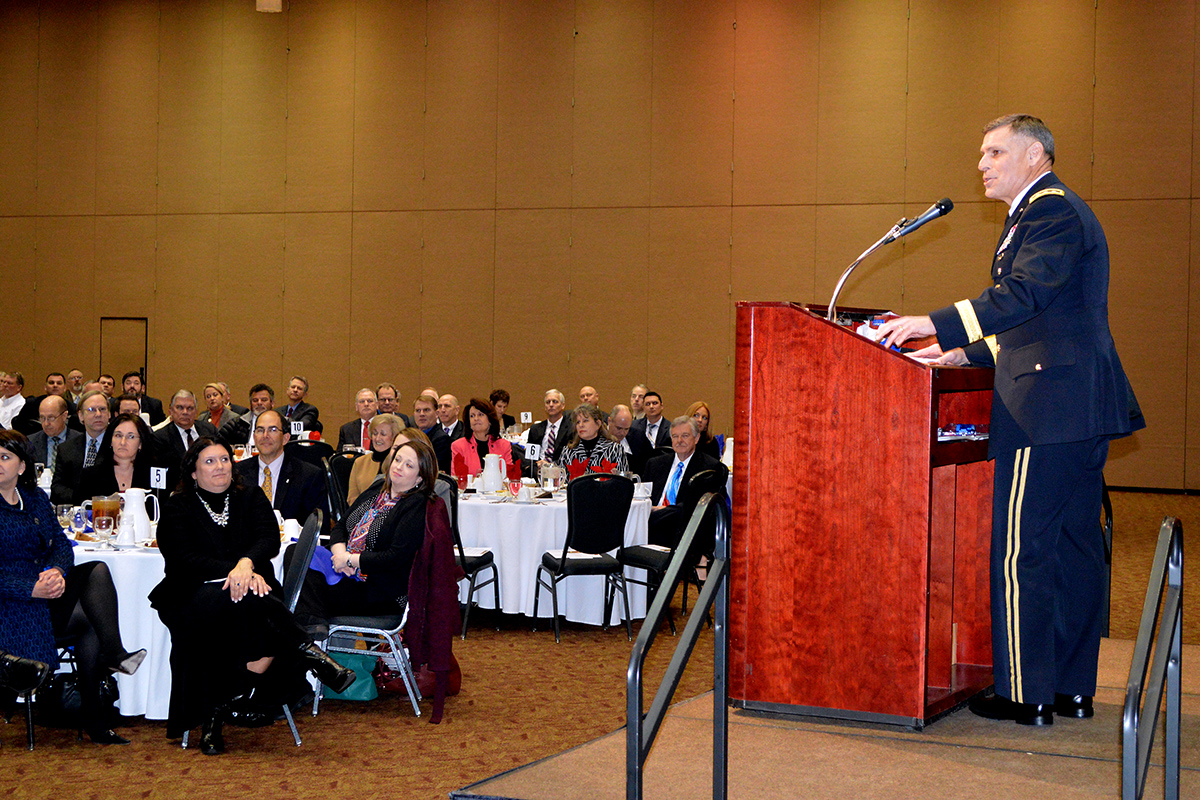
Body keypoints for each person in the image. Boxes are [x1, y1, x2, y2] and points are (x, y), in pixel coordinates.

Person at [876, 114, 1144, 727]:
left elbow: (1023, 296)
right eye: (981, 153)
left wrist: (933, 323)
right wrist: (961, 352)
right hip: (1074, 406)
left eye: (995, 151)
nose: (982, 164)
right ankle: (1072, 688)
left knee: (1021, 551)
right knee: (1074, 552)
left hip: (1045, 409)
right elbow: (1037, 319)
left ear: (1035, 156)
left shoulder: (1049, 208)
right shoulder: (1045, 212)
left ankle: (1025, 693)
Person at [148, 438, 354, 755]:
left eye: (225, 460)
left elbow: (269, 540)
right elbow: (183, 559)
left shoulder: (250, 495)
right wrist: (237, 571)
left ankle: (215, 717)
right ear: (192, 471)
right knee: (240, 604)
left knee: (245, 605)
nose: (220, 467)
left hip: (253, 585)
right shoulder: (178, 506)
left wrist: (246, 565)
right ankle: (309, 652)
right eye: (209, 461)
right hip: (191, 591)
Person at [0, 429, 146, 745]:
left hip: (46, 594)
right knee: (91, 620)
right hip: (10, 607)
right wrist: (29, 588)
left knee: (96, 572)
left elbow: (63, 546)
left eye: (5, 457)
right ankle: (102, 696)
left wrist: (56, 570)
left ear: (22, 466)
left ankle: (109, 661)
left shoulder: (35, 499)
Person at [295, 439, 437, 626]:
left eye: (409, 465)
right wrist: (341, 556)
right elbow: (340, 526)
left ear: (420, 478)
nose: (399, 467)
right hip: (346, 571)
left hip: (379, 589)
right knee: (295, 554)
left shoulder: (416, 505)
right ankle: (312, 626)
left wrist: (350, 560)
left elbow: (394, 557)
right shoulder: (378, 489)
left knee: (303, 592)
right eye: (398, 459)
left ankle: (310, 628)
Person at [642, 417, 728, 549]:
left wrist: (663, 510)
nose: (679, 441)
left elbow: (697, 507)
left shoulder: (709, 468)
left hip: (682, 528)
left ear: (697, 438)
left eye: (685, 436)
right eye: (675, 436)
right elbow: (642, 495)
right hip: (649, 523)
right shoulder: (654, 464)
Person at [234, 410, 328, 526]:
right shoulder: (238, 472)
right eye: (260, 430)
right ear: (254, 437)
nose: (265, 436)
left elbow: (318, 527)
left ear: (285, 438)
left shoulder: (309, 476)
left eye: (272, 430)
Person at [74, 413, 159, 504]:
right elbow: (82, 510)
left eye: (131, 437)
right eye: (118, 435)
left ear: (140, 443)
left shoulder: (153, 476)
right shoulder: (91, 476)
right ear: (110, 440)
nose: (123, 442)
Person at [50, 390, 111, 505]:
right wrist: (82, 500)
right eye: (92, 410)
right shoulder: (66, 449)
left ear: (109, 414)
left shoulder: (117, 447)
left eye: (102, 409)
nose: (98, 414)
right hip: (76, 510)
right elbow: (57, 489)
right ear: (81, 416)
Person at [153, 390, 218, 473]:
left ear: (196, 412)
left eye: (190, 408)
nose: (185, 412)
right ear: (171, 411)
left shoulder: (209, 430)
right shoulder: (160, 438)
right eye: (180, 408)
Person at [556, 404, 626, 480]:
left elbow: (623, 482)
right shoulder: (568, 452)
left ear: (598, 424)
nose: (581, 425)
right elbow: (561, 483)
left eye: (585, 421)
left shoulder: (614, 449)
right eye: (578, 422)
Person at [346, 413, 402, 504]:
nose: (377, 438)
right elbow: (352, 498)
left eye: (383, 434)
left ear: (395, 437)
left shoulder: (399, 464)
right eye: (375, 433)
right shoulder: (360, 462)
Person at [450, 399, 514, 478]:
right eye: (472, 416)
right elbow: (456, 478)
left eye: (480, 415)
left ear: (490, 419)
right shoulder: (458, 446)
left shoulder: (504, 445)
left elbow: (510, 476)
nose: (476, 418)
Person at [27, 395, 82, 475]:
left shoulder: (80, 441)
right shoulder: (30, 441)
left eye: (51, 418)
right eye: (42, 418)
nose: (46, 423)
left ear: (64, 416)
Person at [608, 404, 653, 477]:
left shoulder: (638, 437)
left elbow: (650, 463)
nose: (622, 433)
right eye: (619, 428)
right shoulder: (598, 438)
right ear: (609, 421)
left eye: (626, 429)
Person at [413, 393, 451, 473]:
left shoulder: (441, 439)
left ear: (437, 414)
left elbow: (434, 469)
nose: (421, 414)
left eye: (426, 410)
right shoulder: (411, 436)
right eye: (418, 411)